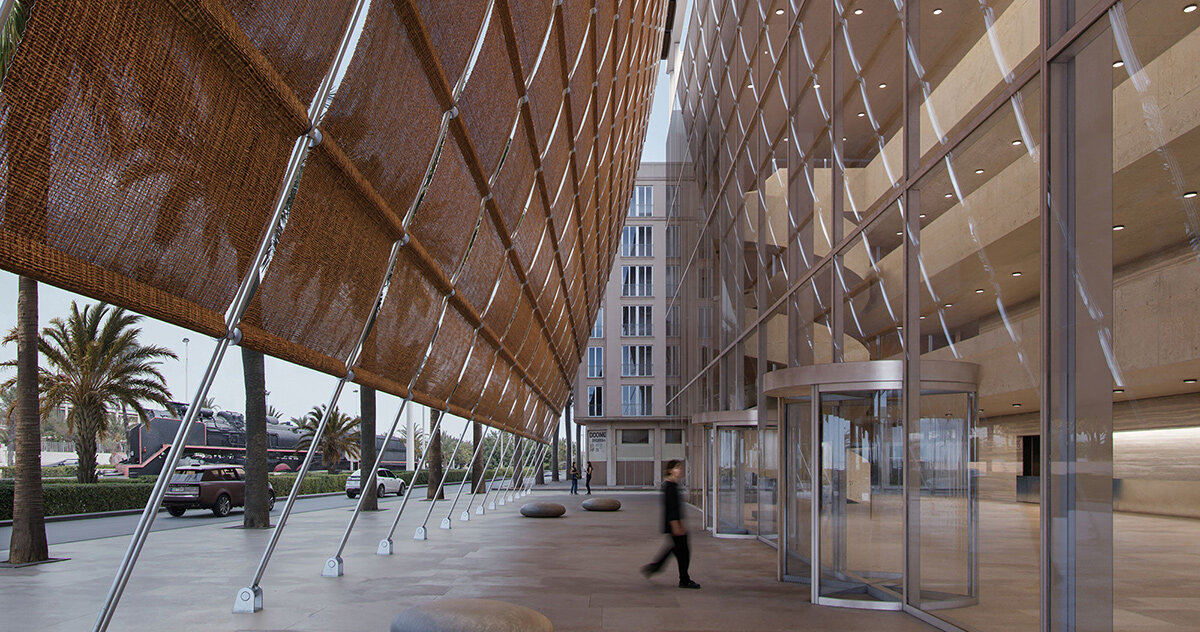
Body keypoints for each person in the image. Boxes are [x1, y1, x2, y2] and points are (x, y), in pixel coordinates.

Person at [640, 460, 700, 589]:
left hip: (676, 524)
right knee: (683, 552)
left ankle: (655, 567)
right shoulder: (669, 487)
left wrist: (680, 524)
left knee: (676, 549)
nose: (680, 470)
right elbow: (671, 509)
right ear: (670, 470)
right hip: (674, 525)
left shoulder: (672, 485)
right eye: (677, 468)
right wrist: (676, 526)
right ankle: (684, 579)